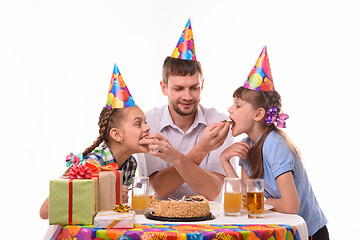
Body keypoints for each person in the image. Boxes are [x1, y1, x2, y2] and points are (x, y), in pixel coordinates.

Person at [220, 46, 329, 240]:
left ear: (258, 114)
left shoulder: (275, 144)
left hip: (308, 234)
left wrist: (257, 200)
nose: (229, 109)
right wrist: (224, 160)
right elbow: (244, 197)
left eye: (237, 105)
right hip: (281, 230)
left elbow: (290, 206)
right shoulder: (248, 144)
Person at [139, 19, 234, 201]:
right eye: (178, 89)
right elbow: (159, 187)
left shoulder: (218, 122)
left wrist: (176, 157)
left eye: (194, 87)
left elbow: (213, 191)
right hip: (160, 222)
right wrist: (202, 149)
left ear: (202, 84)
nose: (188, 96)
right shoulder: (148, 123)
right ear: (164, 87)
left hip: (208, 223)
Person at [39, 64, 150, 219]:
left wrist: (118, 202)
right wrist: (102, 194)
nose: (147, 128)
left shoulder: (130, 164)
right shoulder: (92, 164)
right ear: (116, 135)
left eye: (145, 122)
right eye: (138, 123)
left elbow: (109, 213)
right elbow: (45, 211)